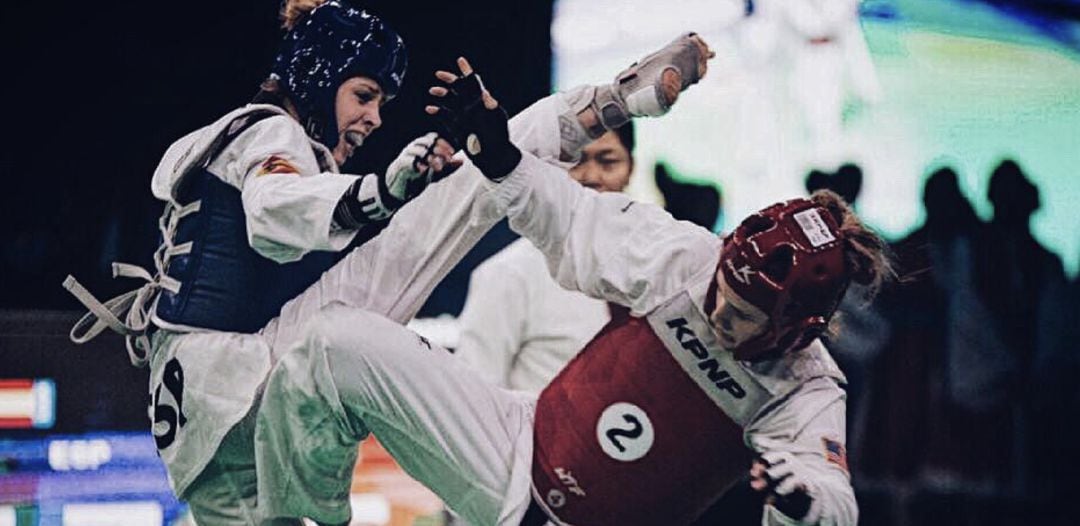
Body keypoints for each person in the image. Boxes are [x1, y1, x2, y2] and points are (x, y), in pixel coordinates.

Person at [63, 0, 713, 522]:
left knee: (462, 186)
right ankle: (619, 97)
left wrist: (386, 192)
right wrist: (384, 192)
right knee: (469, 189)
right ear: (319, 77)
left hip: (209, 427)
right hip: (238, 380)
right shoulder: (270, 130)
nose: (374, 119)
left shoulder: (259, 137)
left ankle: (613, 100)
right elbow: (275, 210)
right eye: (365, 95)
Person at [261, 52, 887, 525]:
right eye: (725, 286)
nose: (718, 307)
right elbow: (571, 217)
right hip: (512, 448)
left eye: (744, 313)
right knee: (336, 338)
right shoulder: (689, 261)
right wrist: (499, 152)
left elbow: (833, 496)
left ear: (794, 328)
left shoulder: (804, 385)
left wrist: (804, 501)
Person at [455, 124, 636, 393]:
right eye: (576, 161)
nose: (592, 176)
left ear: (631, 169)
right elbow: (474, 396)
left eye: (608, 162)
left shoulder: (651, 264)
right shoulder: (508, 274)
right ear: (550, 169)